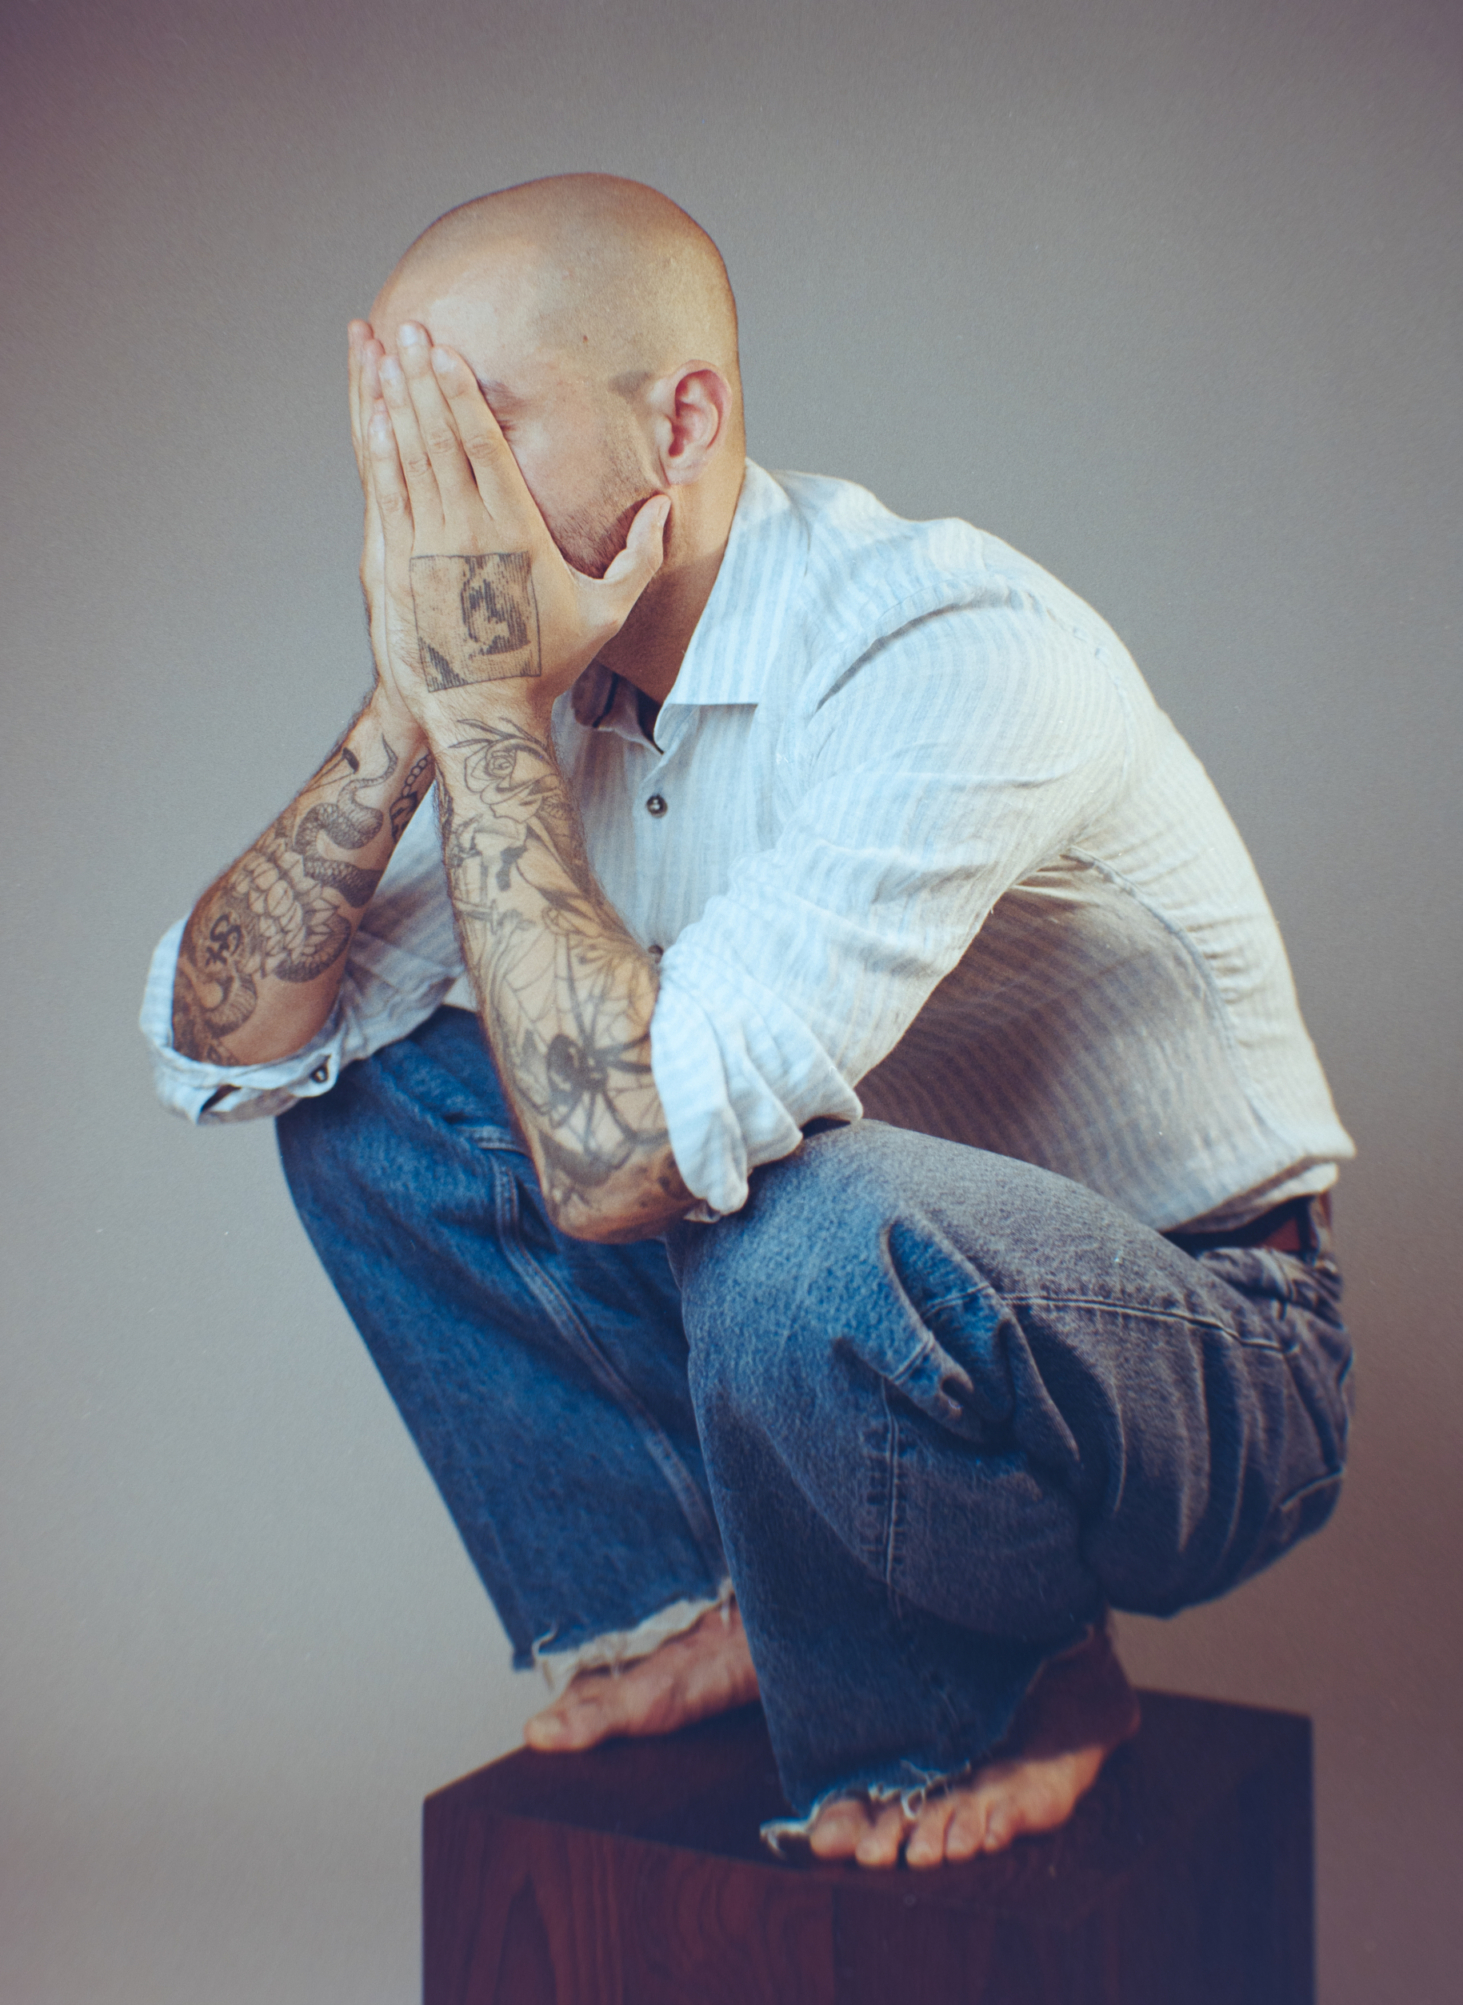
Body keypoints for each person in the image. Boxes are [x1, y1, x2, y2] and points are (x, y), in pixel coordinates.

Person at [141, 172, 1355, 1869]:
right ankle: (688, 1596)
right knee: (369, 1094)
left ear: (681, 422)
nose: (421, 509)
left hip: (1205, 1346)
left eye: (465, 430)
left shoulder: (940, 648)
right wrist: (418, 703)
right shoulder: (561, 675)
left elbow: (628, 1159)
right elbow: (228, 1042)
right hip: (852, 1267)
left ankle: (1011, 1693)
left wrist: (481, 699)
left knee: (796, 1225)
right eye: (390, 435)